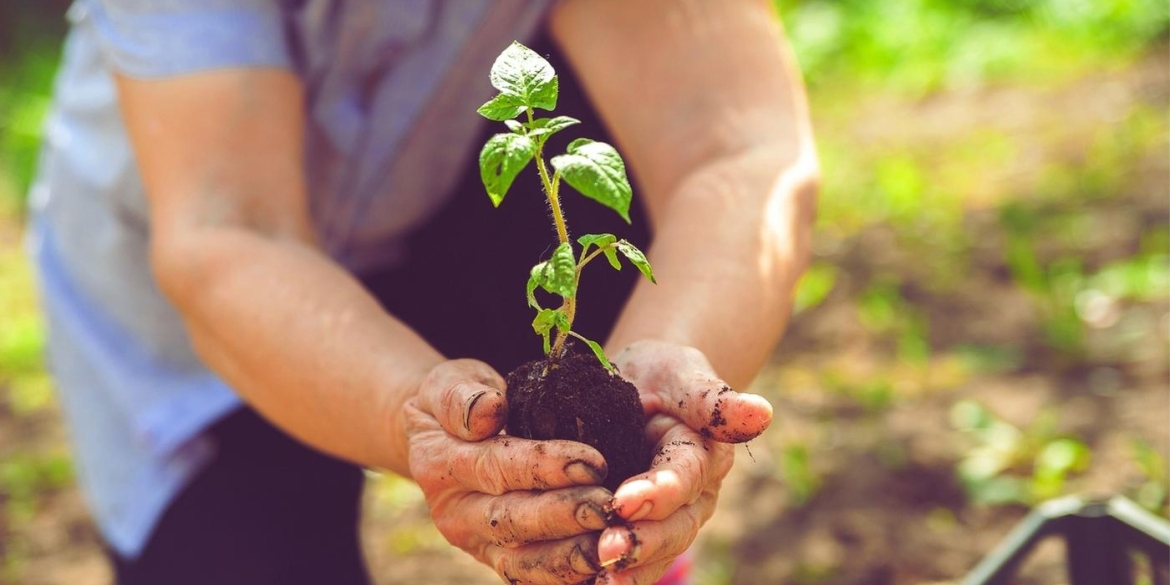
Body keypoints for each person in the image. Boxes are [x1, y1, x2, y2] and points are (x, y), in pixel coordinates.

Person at [27, 0, 818, 583]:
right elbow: (230, 231)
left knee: (590, 185)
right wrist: (409, 416)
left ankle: (616, 533)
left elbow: (736, 150)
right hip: (196, 312)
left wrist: (671, 363)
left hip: (432, 206)